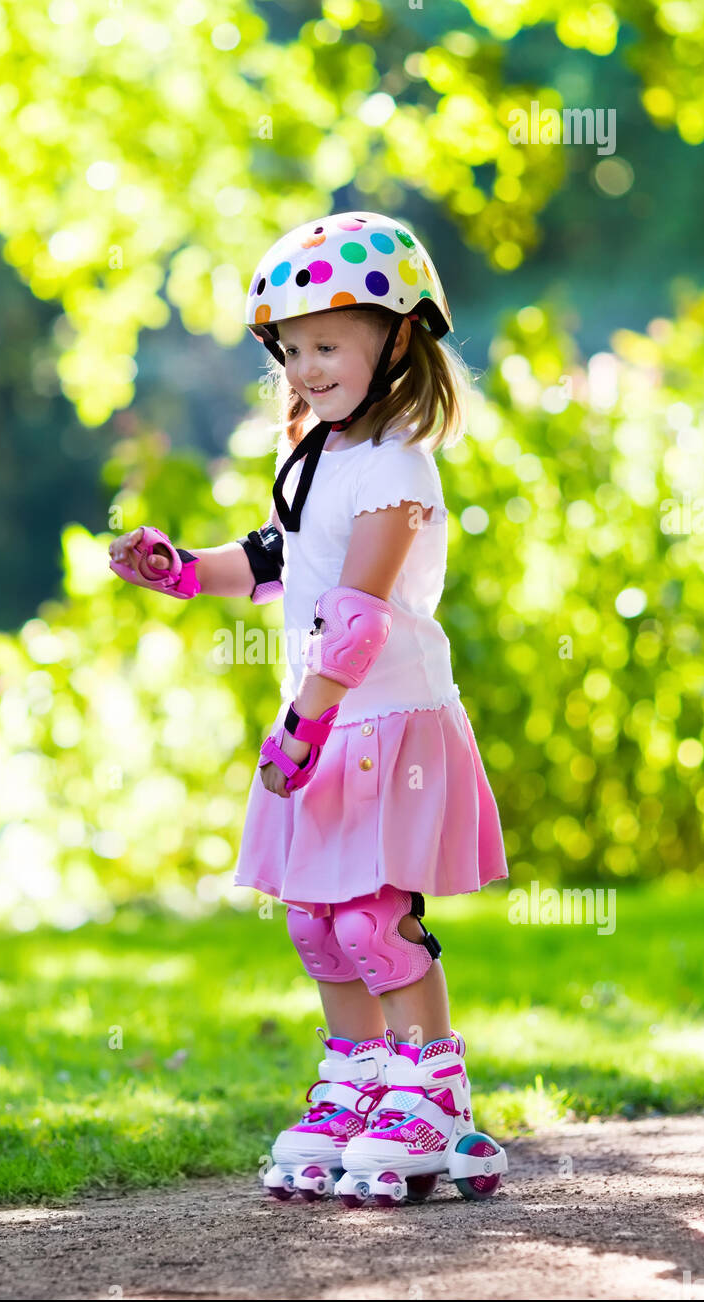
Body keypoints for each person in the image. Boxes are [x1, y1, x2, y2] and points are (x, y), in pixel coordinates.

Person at [108, 211, 509, 1206]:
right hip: (327, 717)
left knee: (375, 918)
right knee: (317, 924)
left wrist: (304, 721)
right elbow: (277, 560)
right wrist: (180, 569)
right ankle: (360, 1080)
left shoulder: (398, 464)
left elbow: (358, 618)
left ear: (400, 338)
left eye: (327, 345)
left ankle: (431, 1091)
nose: (304, 368)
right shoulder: (316, 456)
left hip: (383, 718)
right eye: (291, 350)